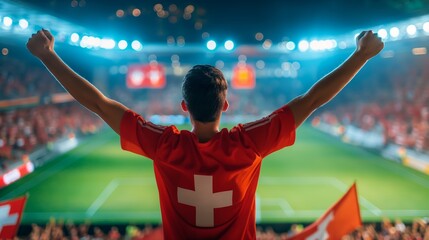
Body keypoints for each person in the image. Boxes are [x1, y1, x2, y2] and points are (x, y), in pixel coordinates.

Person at [27, 29, 383, 239]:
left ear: (183, 107)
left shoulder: (163, 145)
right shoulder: (249, 143)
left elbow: (99, 103)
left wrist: (47, 56)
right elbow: (313, 99)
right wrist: (361, 56)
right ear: (226, 105)